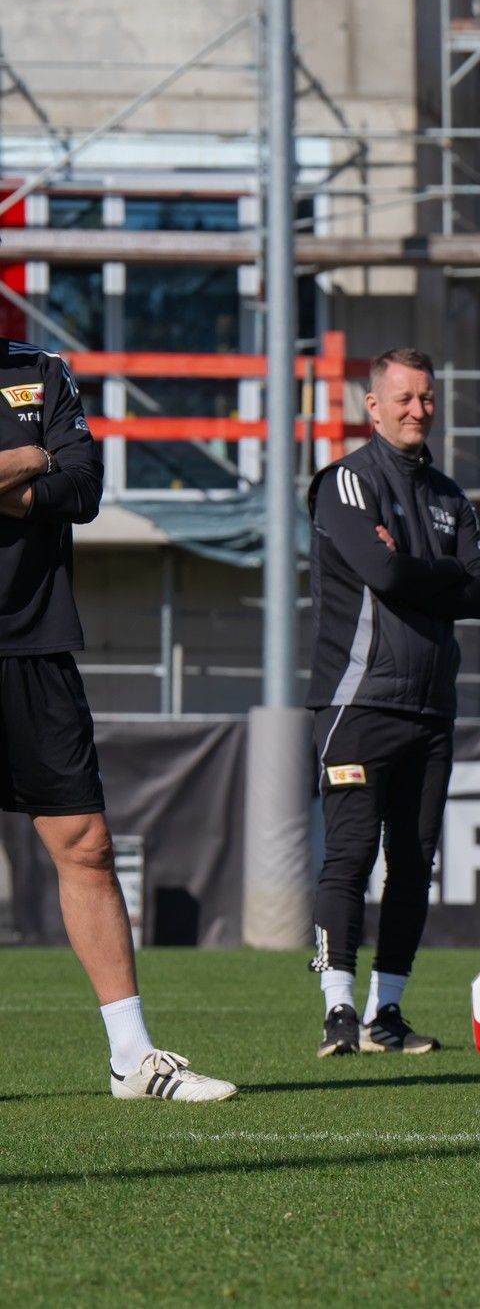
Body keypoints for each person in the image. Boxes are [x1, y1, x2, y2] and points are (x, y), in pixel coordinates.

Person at [0, 339, 236, 1101]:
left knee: (87, 845)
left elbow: (85, 488)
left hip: (36, 646)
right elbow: (52, 467)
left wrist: (37, 469)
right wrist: (30, 457)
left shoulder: (41, 371)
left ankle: (131, 1058)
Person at [305, 347, 480, 1058]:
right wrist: (439, 575)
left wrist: (424, 572)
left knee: (415, 862)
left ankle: (387, 1014)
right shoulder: (345, 482)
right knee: (350, 856)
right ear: (373, 406)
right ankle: (338, 1012)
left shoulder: (450, 496)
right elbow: (381, 569)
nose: (418, 409)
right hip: (357, 704)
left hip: (430, 708)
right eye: (405, 397)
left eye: (427, 398)